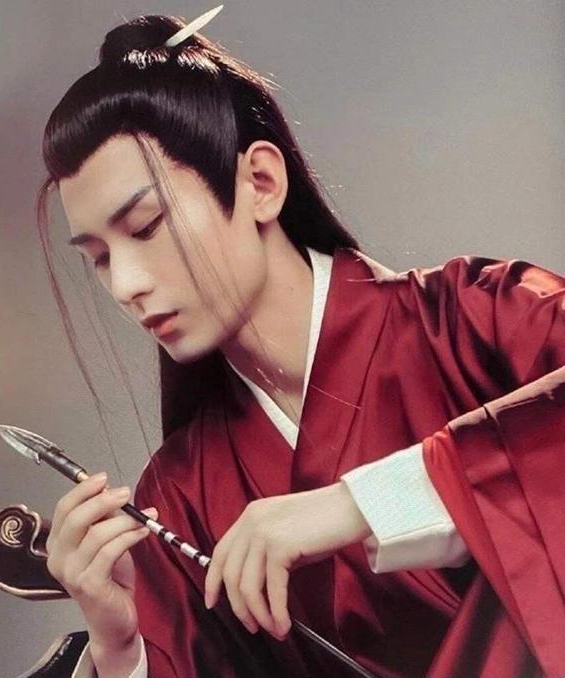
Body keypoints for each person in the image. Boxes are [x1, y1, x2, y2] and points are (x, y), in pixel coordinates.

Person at [37, 11, 565, 678]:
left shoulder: (478, 318)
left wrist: (359, 504)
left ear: (260, 183)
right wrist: (120, 649)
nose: (127, 284)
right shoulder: (182, 494)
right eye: (100, 258)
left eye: (146, 226)